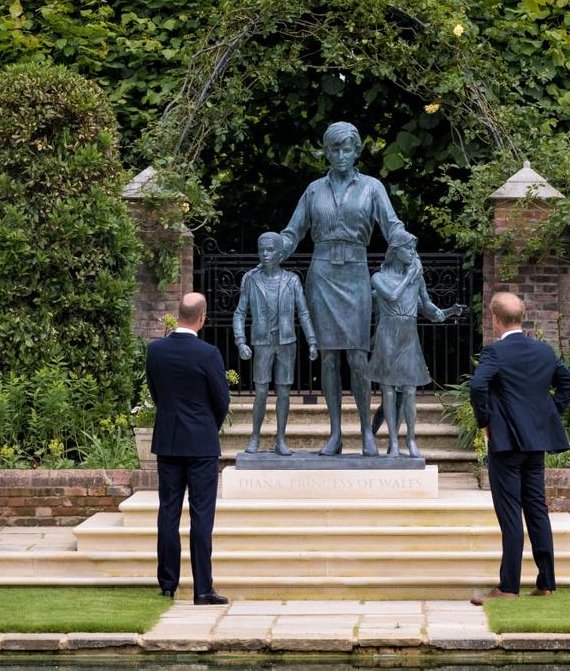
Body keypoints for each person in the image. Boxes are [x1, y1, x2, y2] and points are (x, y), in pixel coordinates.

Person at [278, 121, 407, 456]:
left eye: (346, 149)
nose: (339, 155)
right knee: (329, 357)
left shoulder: (372, 188)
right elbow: (294, 232)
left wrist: (406, 243)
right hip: (321, 275)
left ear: (356, 151)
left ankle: (366, 431)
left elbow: (391, 226)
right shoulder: (314, 190)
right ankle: (335, 434)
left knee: (358, 356)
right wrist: (276, 247)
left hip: (355, 273)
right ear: (327, 151)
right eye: (334, 149)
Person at [468, 292, 570, 605]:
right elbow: (568, 383)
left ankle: (508, 587)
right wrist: (548, 415)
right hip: (535, 445)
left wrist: (486, 421)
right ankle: (546, 583)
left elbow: (478, 386)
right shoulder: (543, 350)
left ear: (495, 320)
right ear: (521, 317)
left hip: (506, 446)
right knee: (536, 511)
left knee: (511, 515)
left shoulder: (495, 353)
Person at [145, 293, 231, 605]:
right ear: (201, 317)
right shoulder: (208, 353)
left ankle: (168, 583)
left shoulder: (155, 351)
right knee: (201, 515)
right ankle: (203, 589)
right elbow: (222, 400)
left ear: (178, 314)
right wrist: (208, 425)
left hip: (169, 441)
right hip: (201, 444)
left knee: (168, 511)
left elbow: (156, 394)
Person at [368, 229, 465, 457]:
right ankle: (393, 442)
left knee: (410, 390)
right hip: (387, 334)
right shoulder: (379, 277)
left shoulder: (416, 278)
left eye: (414, 249)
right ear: (395, 250)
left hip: (408, 334)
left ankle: (411, 439)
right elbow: (392, 296)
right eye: (408, 248)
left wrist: (449, 311)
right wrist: (410, 277)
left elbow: (428, 307)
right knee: (389, 390)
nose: (412, 253)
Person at [233, 231, 319, 455]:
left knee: (284, 392)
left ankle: (281, 439)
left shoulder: (291, 280)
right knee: (261, 392)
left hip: (286, 342)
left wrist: (311, 340)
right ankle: (255, 437)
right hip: (262, 343)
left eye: (270, 249)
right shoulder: (251, 280)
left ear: (281, 253)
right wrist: (241, 341)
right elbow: (239, 313)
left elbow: (304, 312)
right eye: (261, 250)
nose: (265, 254)